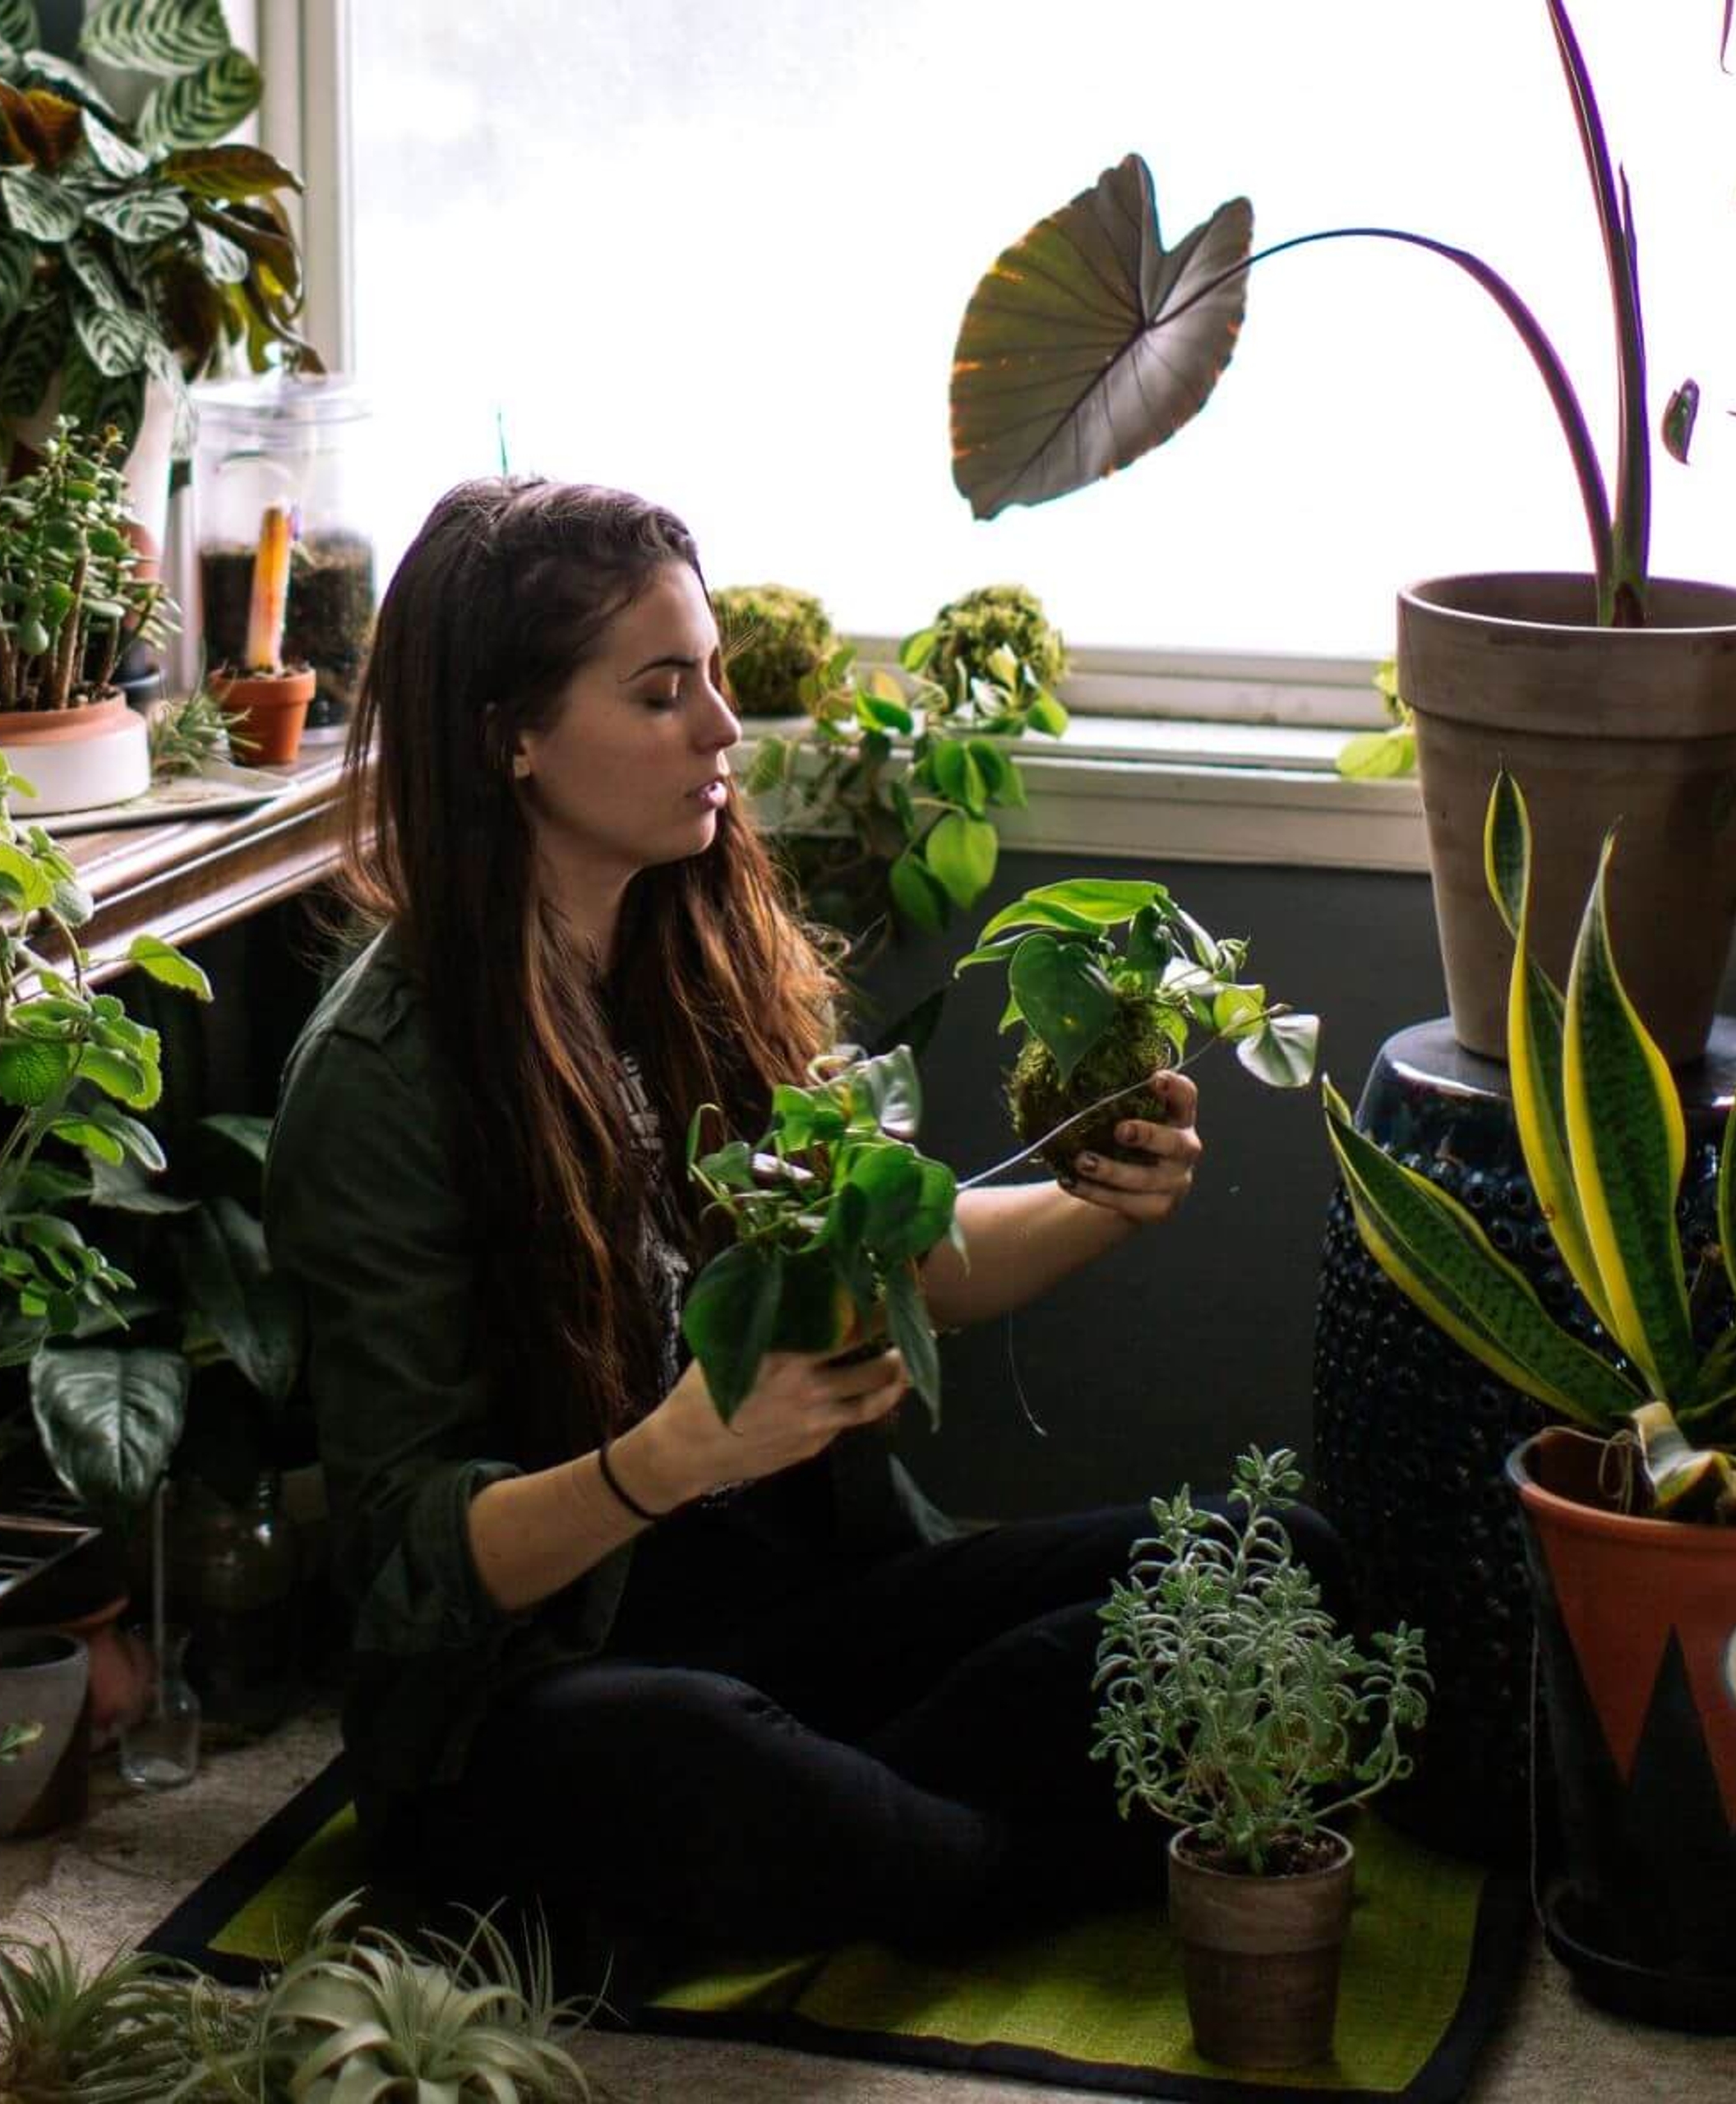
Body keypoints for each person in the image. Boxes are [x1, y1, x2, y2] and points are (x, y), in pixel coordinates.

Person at [261, 478, 1335, 1960]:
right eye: (660, 693)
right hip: (555, 1688)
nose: (720, 729)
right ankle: (985, 1861)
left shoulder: (696, 952)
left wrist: (1101, 1203)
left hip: (804, 1616)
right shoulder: (379, 1084)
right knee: (690, 1744)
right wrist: (672, 1457)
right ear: (508, 734)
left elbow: (894, 1267)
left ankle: (883, 1841)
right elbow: (403, 1567)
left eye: (712, 677)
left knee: (1279, 1557)